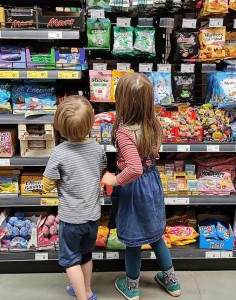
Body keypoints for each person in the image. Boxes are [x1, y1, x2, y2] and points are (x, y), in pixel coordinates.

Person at [102, 73, 181, 300]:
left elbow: (134, 168)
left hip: (134, 190)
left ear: (123, 101)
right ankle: (172, 283)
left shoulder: (124, 133)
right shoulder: (153, 124)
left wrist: (113, 180)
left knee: (134, 241)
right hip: (152, 185)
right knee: (156, 235)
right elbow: (153, 154)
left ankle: (132, 286)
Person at [43, 95, 107, 300]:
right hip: (92, 216)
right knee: (86, 255)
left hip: (71, 219)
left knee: (71, 260)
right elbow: (101, 171)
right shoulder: (98, 149)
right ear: (90, 124)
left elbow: (47, 184)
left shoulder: (59, 153)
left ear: (60, 128)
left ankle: (83, 297)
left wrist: (55, 182)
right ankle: (87, 290)